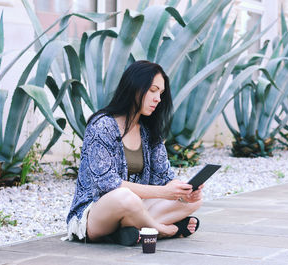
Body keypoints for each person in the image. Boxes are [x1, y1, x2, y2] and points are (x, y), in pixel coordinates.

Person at [66, 60, 203, 246]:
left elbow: (163, 177)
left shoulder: (149, 130)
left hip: (135, 206)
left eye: (161, 93)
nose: (158, 99)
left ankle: (131, 232)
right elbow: (106, 183)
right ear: (135, 87)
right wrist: (164, 192)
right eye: (153, 90)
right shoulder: (102, 125)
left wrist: (183, 191)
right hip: (96, 213)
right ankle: (162, 230)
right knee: (125, 196)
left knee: (193, 202)